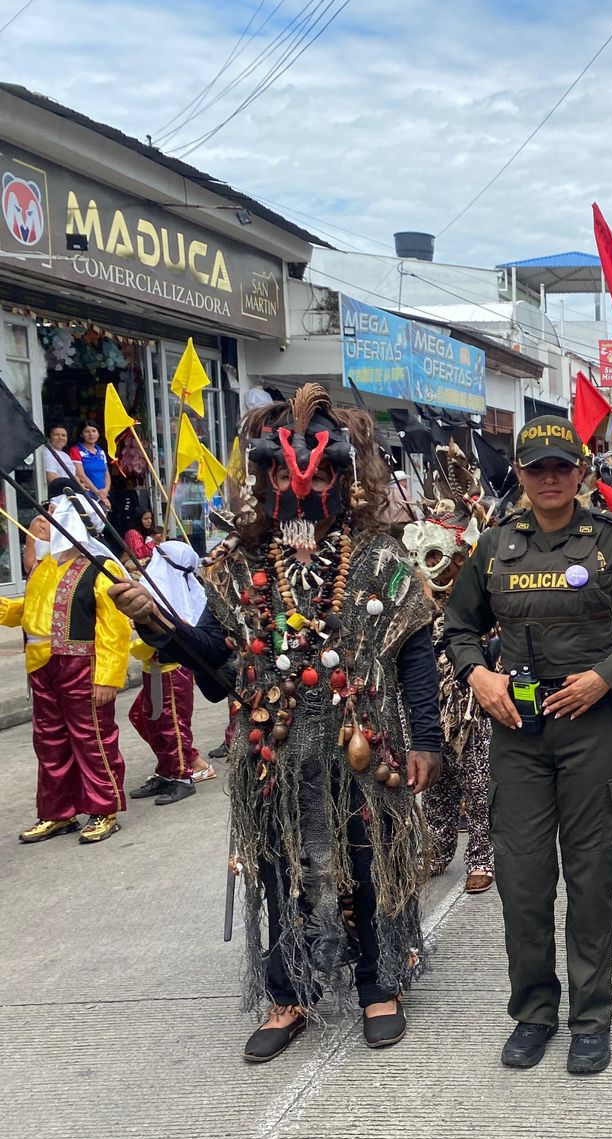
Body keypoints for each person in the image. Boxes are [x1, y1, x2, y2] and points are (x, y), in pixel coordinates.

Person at [111, 383, 443, 1061]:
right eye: (287, 475)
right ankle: (289, 992)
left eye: (320, 473)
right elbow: (218, 674)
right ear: (265, 482)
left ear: (344, 480)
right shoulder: (238, 568)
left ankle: (381, 984)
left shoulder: (380, 561)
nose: (302, 488)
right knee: (281, 864)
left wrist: (429, 740)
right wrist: (160, 625)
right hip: (276, 753)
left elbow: (413, 653)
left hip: (363, 740)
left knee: (368, 858)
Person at [443, 416, 612, 1076]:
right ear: (517, 474)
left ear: (582, 472)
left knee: (591, 876)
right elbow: (458, 626)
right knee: (522, 878)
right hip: (517, 732)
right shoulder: (492, 548)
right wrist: (476, 674)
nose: (549, 477)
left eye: (561, 467)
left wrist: (605, 677)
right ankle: (534, 1012)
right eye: (536, 467)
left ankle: (591, 1017)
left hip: (593, 732)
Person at [8, 498, 130, 846]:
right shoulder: (45, 567)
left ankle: (104, 808)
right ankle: (56, 812)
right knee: (49, 741)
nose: (40, 523)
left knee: (92, 738)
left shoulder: (100, 566)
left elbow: (115, 626)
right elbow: (31, 608)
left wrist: (107, 677)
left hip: (82, 666)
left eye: (50, 517)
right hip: (42, 665)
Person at [404, 502, 495, 896]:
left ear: (460, 559)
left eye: (437, 558)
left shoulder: (478, 598)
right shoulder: (415, 604)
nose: (428, 568)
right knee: (435, 783)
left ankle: (481, 856)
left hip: (472, 704)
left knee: (478, 781)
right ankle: (437, 850)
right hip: (429, 704)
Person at [126, 540, 214, 806]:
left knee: (171, 724)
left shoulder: (180, 596)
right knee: (151, 719)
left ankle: (181, 776)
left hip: (171, 671)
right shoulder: (156, 588)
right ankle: (166, 770)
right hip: (152, 669)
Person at [70, 422, 111, 509]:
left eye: (94, 431)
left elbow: (106, 474)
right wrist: (98, 494)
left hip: (103, 496)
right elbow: (80, 475)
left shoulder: (101, 452)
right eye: (87, 431)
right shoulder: (76, 451)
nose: (91, 434)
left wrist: (106, 490)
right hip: (86, 496)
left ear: (98, 434)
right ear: (81, 434)